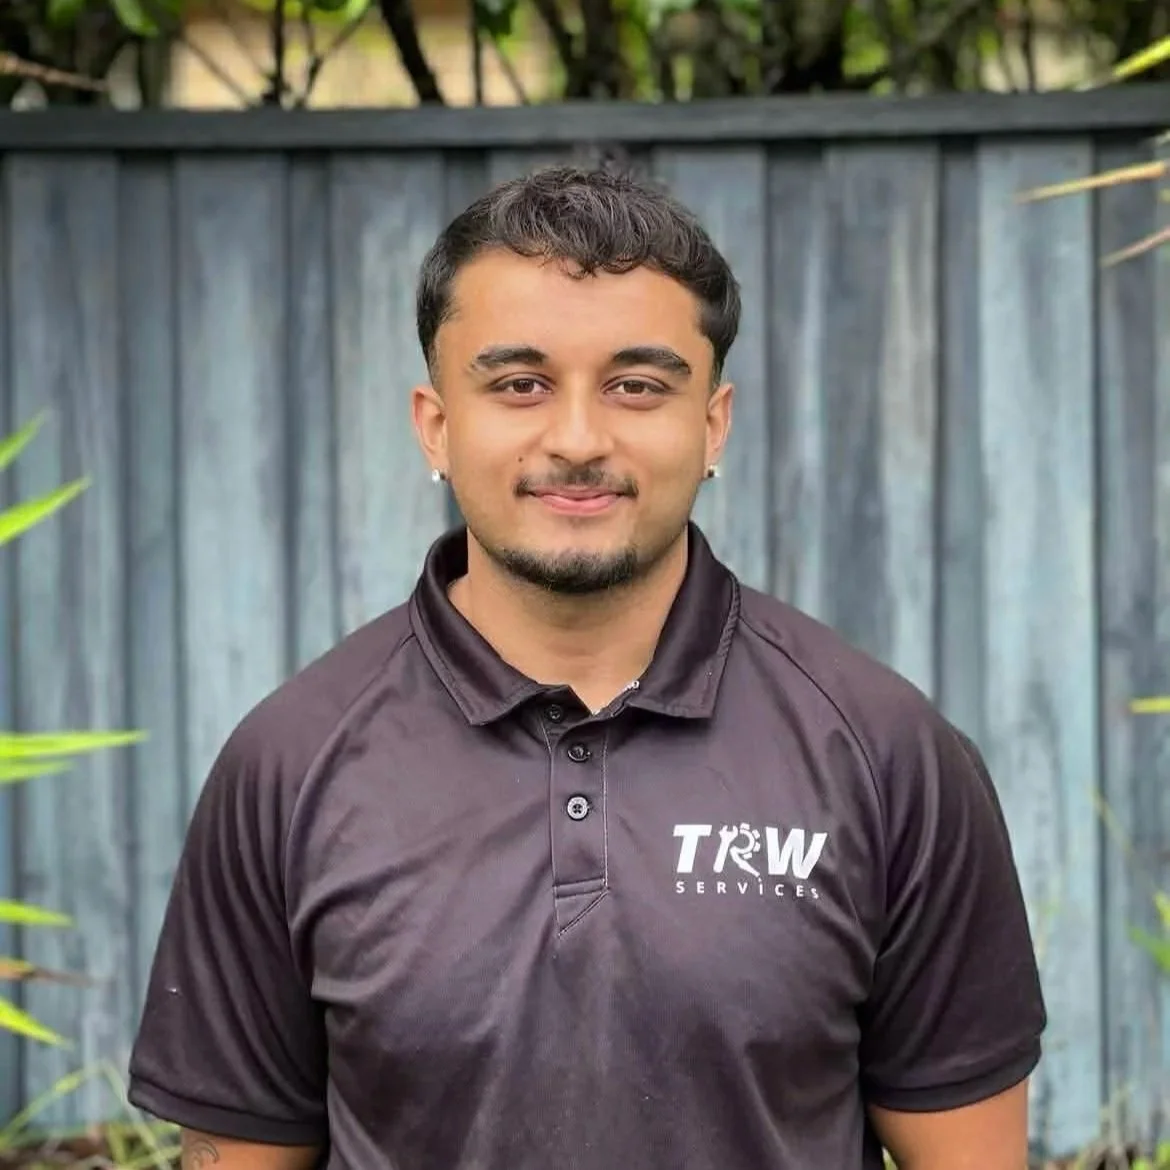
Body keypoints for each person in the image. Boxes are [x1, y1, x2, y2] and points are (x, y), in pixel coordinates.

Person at [127, 164, 1046, 1170]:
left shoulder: (886, 754)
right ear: (438, 425)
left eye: (637, 386)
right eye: (519, 385)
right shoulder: (288, 766)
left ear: (713, 424)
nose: (576, 439)